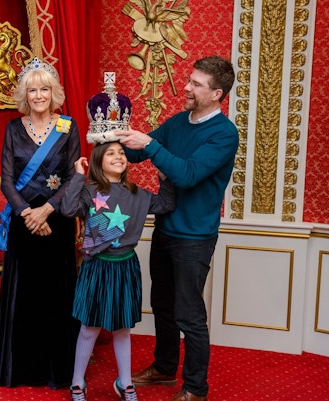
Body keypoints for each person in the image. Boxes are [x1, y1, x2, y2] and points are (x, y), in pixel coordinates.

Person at [117, 55, 238, 401]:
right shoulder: (178, 122)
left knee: (189, 314)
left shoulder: (224, 134)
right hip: (166, 229)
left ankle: (196, 389)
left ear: (216, 94)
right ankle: (164, 368)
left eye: (196, 84)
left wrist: (150, 145)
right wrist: (112, 135)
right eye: (189, 80)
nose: (186, 87)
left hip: (195, 237)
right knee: (163, 305)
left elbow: (187, 174)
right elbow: (138, 153)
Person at [0, 57, 81, 389]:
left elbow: (74, 177)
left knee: (55, 295)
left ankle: (55, 370)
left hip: (57, 223)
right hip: (23, 222)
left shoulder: (67, 127)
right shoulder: (13, 129)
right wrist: (28, 213)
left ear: (53, 93)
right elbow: (6, 179)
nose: (39, 95)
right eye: (32, 90)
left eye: (44, 89)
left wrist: (47, 210)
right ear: (24, 95)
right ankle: (21, 369)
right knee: (25, 297)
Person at [61, 136, 175, 401]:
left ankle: (125, 383)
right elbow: (67, 209)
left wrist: (165, 177)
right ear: (98, 160)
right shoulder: (90, 191)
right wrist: (77, 176)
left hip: (125, 267)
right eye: (111, 153)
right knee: (89, 327)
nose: (119, 157)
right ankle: (77, 382)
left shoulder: (138, 194)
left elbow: (166, 204)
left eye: (121, 153)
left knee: (122, 328)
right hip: (96, 267)